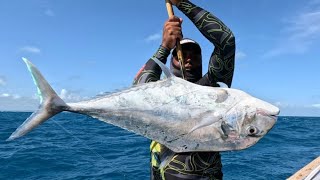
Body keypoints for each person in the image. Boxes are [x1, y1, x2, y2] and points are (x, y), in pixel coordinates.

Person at [133, 0, 235, 179]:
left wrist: (181, 3)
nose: (188, 59)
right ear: (171, 60)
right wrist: (165, 46)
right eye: (183, 54)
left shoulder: (212, 87)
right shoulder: (160, 94)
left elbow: (226, 41)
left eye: (195, 55)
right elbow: (137, 91)